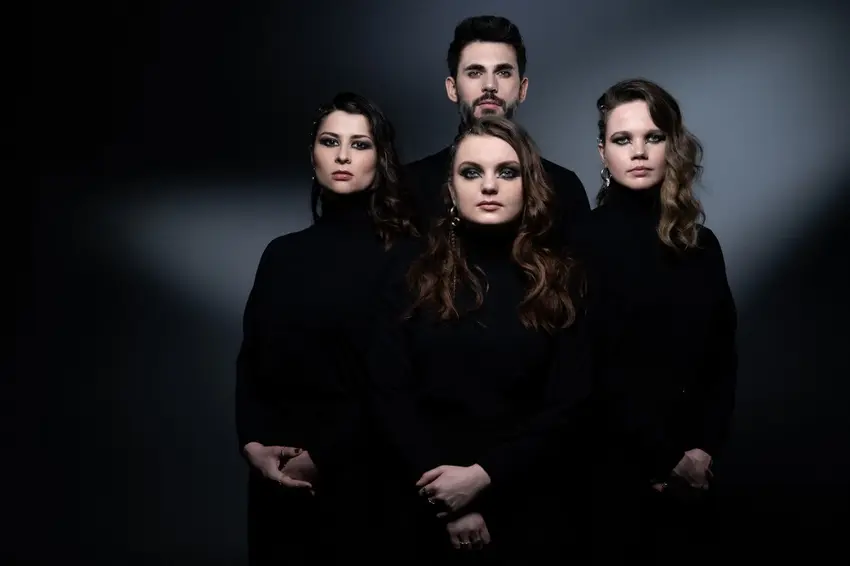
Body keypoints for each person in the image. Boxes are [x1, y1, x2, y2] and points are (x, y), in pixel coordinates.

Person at [367, 116, 592, 563]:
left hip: (531, 506)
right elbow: (387, 392)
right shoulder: (407, 271)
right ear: (451, 190)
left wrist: (483, 476)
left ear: (529, 185)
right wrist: (447, 498)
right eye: (472, 172)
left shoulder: (563, 278)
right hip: (423, 504)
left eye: (506, 172)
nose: (489, 185)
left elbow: (571, 402)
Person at [234, 91, 418, 564]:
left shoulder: (409, 256)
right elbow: (252, 359)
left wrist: (324, 456)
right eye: (330, 141)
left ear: (381, 157)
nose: (342, 156)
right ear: (313, 153)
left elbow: (400, 381)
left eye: (360, 144)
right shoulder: (282, 253)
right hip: (278, 477)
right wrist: (252, 443)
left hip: (368, 478)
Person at [575, 78, 738, 562]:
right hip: (609, 470)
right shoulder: (579, 243)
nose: (639, 151)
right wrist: (665, 460)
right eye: (622, 139)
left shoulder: (701, 245)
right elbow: (587, 370)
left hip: (695, 475)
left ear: (672, 145)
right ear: (603, 152)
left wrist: (701, 452)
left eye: (653, 137)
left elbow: (722, 359)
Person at [405, 15, 590, 241]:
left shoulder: (563, 187)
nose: (490, 86)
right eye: (475, 72)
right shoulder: (411, 185)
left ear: (522, 89)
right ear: (452, 89)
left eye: (503, 72)